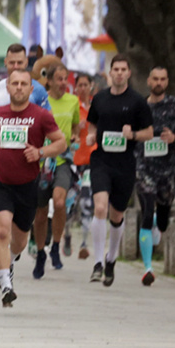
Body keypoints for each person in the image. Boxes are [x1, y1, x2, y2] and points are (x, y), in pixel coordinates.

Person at [0, 69, 66, 307]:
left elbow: (61, 142)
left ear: (31, 89)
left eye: (23, 84)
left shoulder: (41, 116)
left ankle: (11, 261)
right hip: (0, 182)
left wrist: (40, 152)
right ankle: (5, 284)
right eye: (14, 83)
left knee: (18, 242)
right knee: (1, 232)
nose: (18, 87)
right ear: (7, 88)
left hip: (28, 185)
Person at [85, 55, 153, 287]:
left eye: (124, 69)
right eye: (116, 69)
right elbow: (92, 123)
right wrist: (91, 135)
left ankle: (111, 258)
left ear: (129, 73)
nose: (120, 73)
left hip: (125, 163)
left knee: (117, 215)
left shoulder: (137, 101)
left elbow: (149, 133)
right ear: (110, 72)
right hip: (101, 160)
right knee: (100, 207)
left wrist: (132, 135)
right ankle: (97, 263)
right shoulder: (100, 98)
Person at [135, 67, 175, 285]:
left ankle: (160, 224)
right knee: (147, 211)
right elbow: (130, 132)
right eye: (155, 79)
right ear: (148, 81)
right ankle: (148, 268)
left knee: (164, 217)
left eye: (162, 79)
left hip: (167, 169)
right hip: (144, 167)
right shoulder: (139, 106)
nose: (158, 82)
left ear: (167, 82)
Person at [34, 65, 81, 278]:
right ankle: (41, 251)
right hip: (42, 161)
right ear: (50, 81)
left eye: (66, 79)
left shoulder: (73, 101)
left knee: (60, 202)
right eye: (59, 79)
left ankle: (56, 245)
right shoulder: (40, 101)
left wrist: (74, 137)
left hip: (63, 160)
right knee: (41, 212)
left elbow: (75, 127)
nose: (63, 83)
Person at [71, 73, 96, 259]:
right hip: (74, 160)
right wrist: (75, 128)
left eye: (85, 84)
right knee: (70, 202)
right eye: (79, 85)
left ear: (91, 86)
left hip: (92, 160)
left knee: (87, 202)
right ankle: (66, 236)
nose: (82, 88)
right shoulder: (73, 106)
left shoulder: (97, 106)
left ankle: (84, 243)